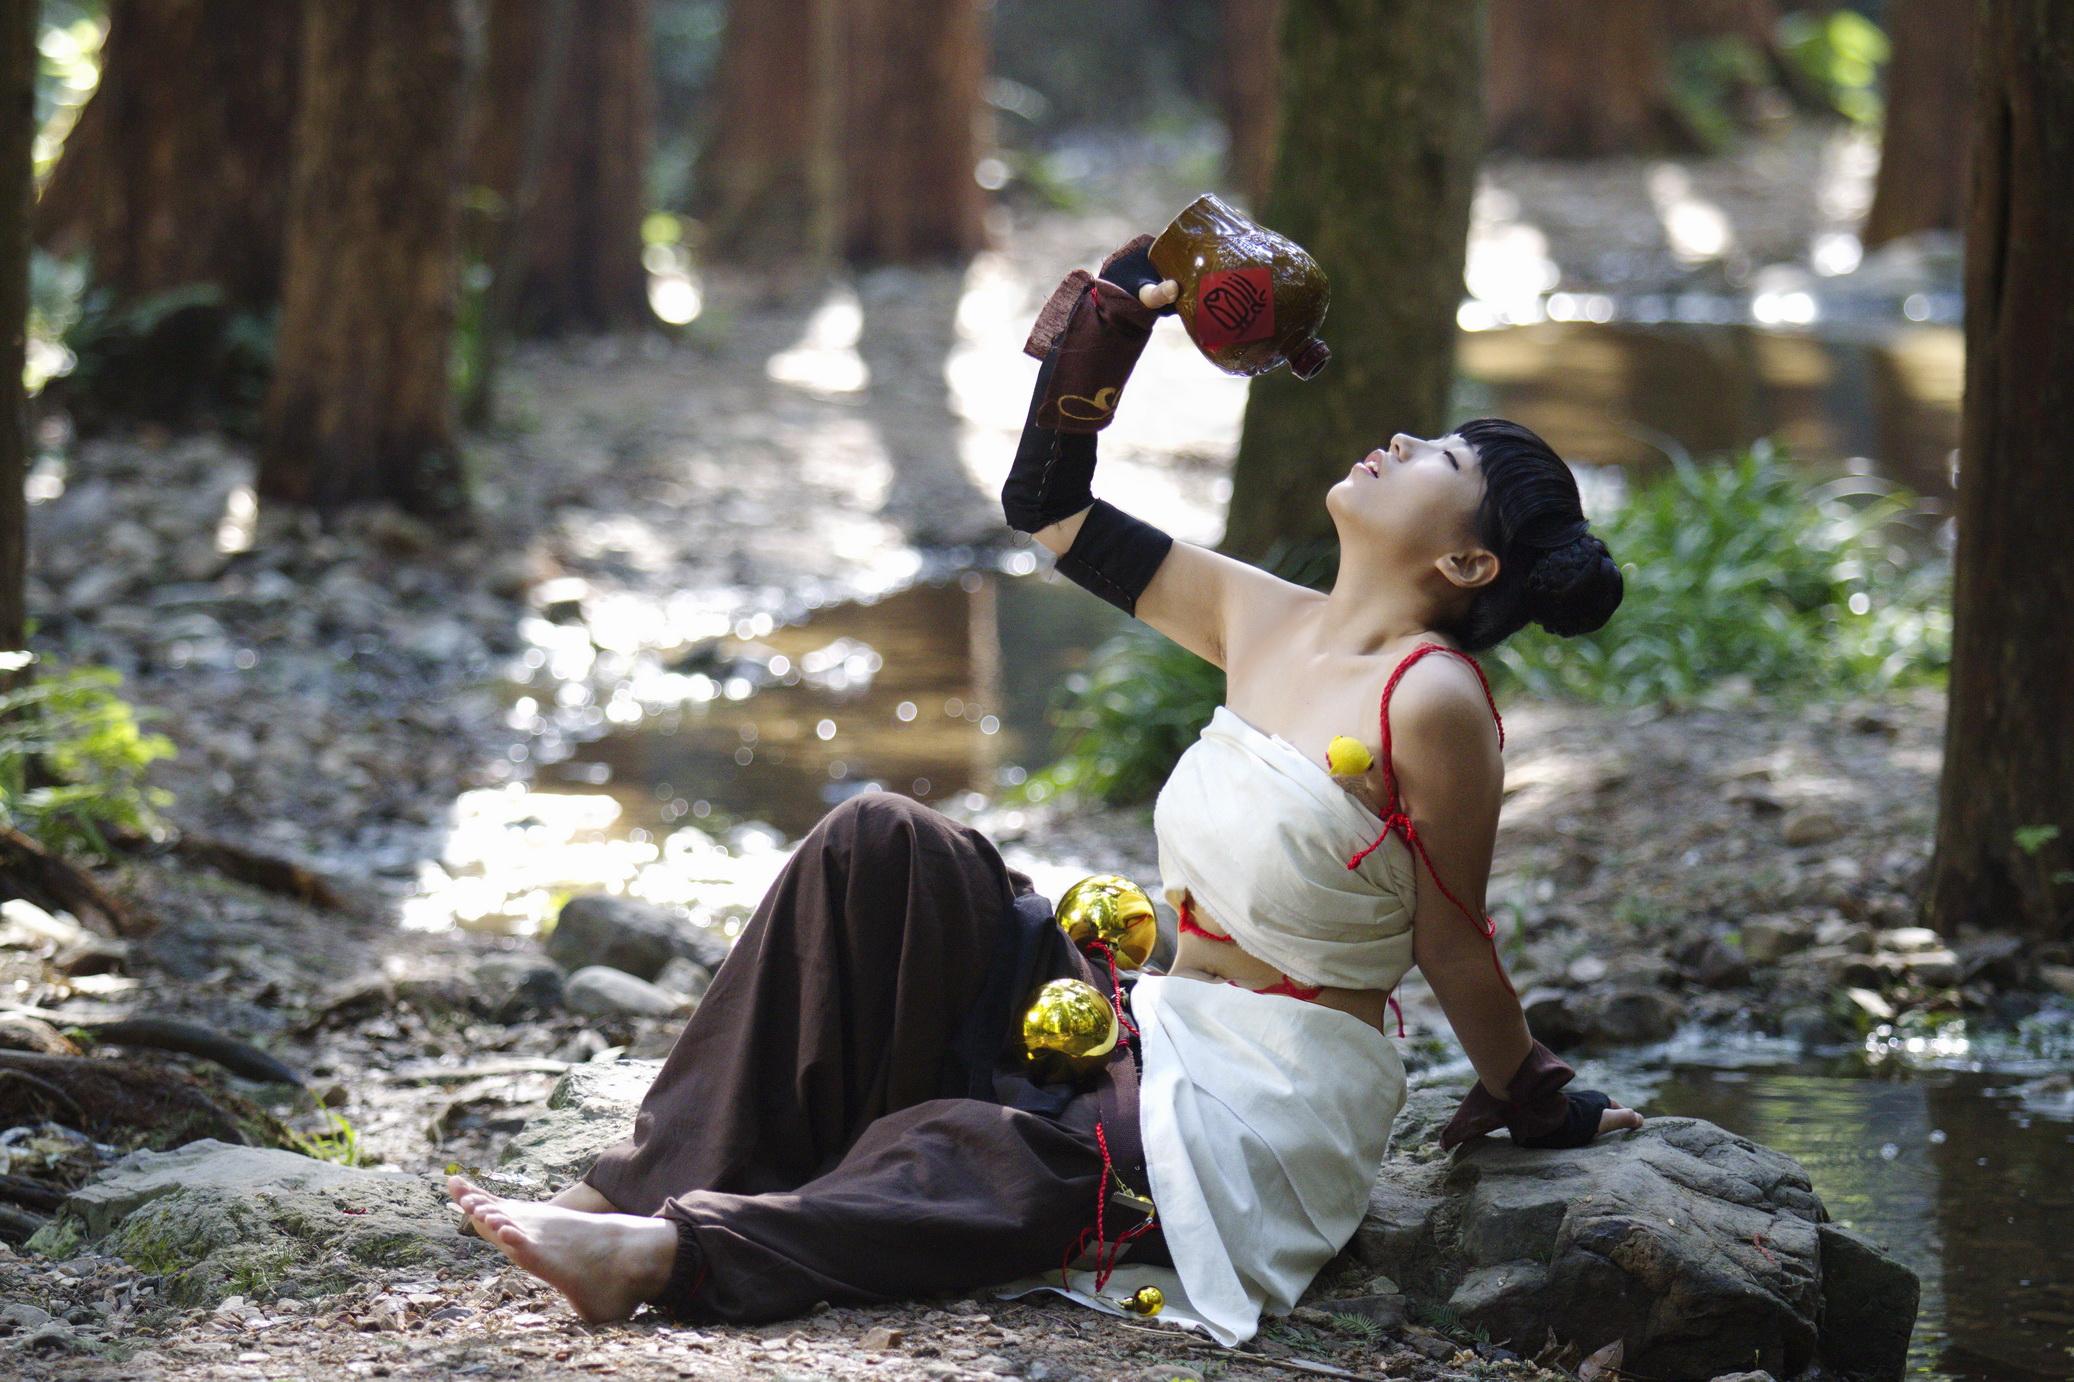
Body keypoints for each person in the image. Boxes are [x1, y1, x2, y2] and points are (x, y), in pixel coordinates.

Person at [446, 234, 1645, 1342]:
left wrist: (1535, 1094)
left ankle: (665, 1254)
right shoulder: (1264, 616)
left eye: (1442, 457)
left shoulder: (1432, 699)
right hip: (1146, 1025)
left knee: (976, 1146)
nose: (1401, 440)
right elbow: (1051, 511)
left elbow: (1451, 936)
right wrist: (1117, 311)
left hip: (1251, 1104)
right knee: (879, 841)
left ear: (1467, 560)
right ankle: (622, 1190)